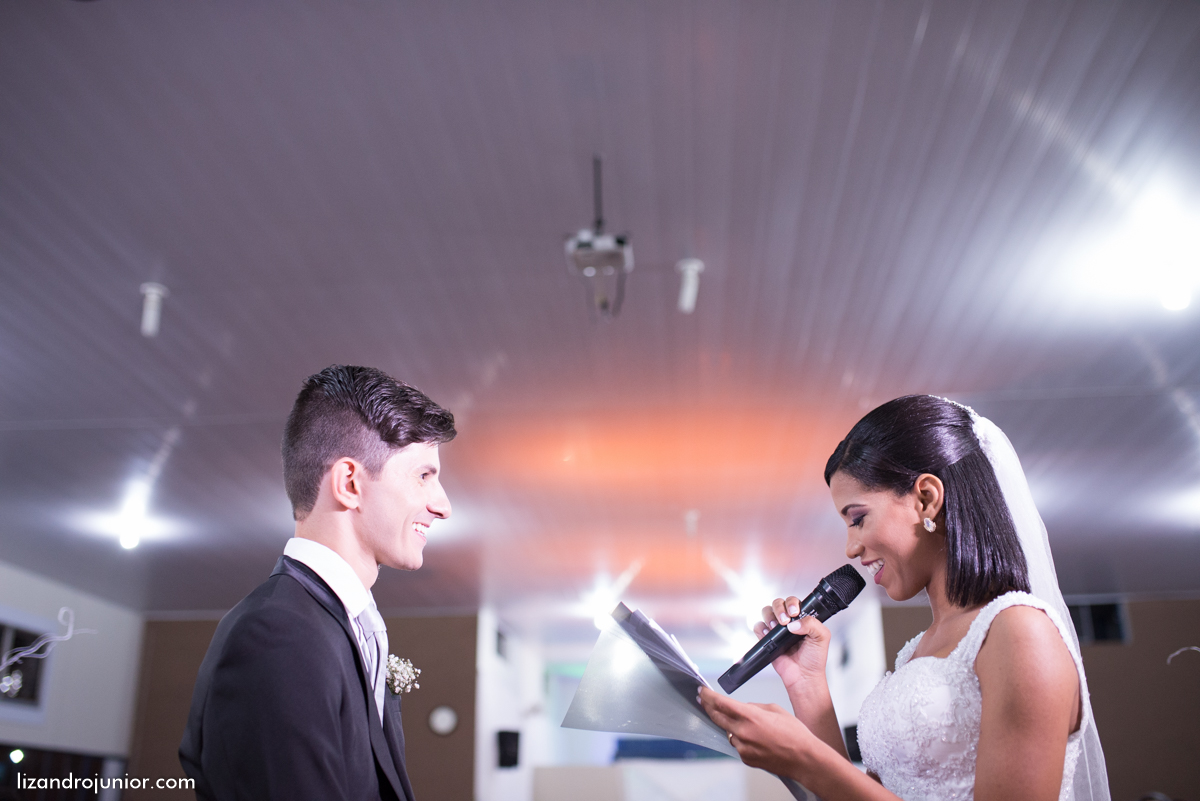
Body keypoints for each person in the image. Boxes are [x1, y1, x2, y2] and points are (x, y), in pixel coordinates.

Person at [699, 395, 1109, 801]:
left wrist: (806, 758)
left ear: (927, 497)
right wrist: (806, 684)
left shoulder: (1021, 632)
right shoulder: (918, 650)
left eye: (858, 519)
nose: (851, 549)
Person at [180, 365, 455, 801]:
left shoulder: (331, 626)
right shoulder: (277, 635)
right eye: (424, 475)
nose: (443, 506)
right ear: (349, 483)